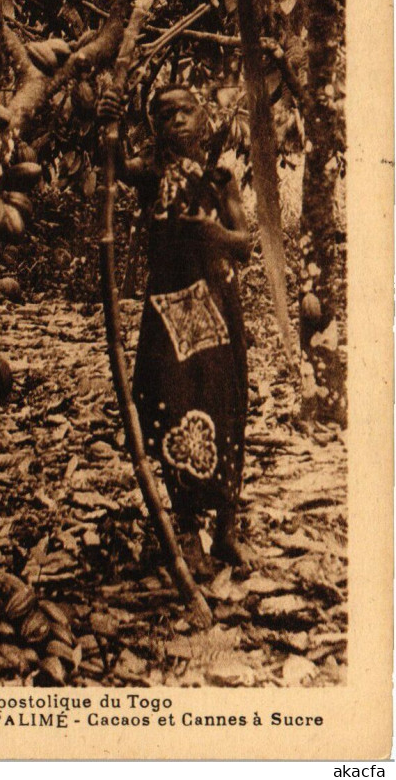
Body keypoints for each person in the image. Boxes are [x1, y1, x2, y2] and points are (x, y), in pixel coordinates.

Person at [101, 84, 253, 568]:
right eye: (166, 117)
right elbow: (116, 167)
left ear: (203, 118)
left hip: (216, 303)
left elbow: (245, 243)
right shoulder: (152, 174)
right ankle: (187, 529)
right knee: (167, 401)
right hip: (168, 308)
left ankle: (226, 527)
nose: (178, 122)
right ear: (156, 129)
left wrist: (213, 233)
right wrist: (108, 122)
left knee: (225, 403)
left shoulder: (220, 178)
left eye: (186, 112)